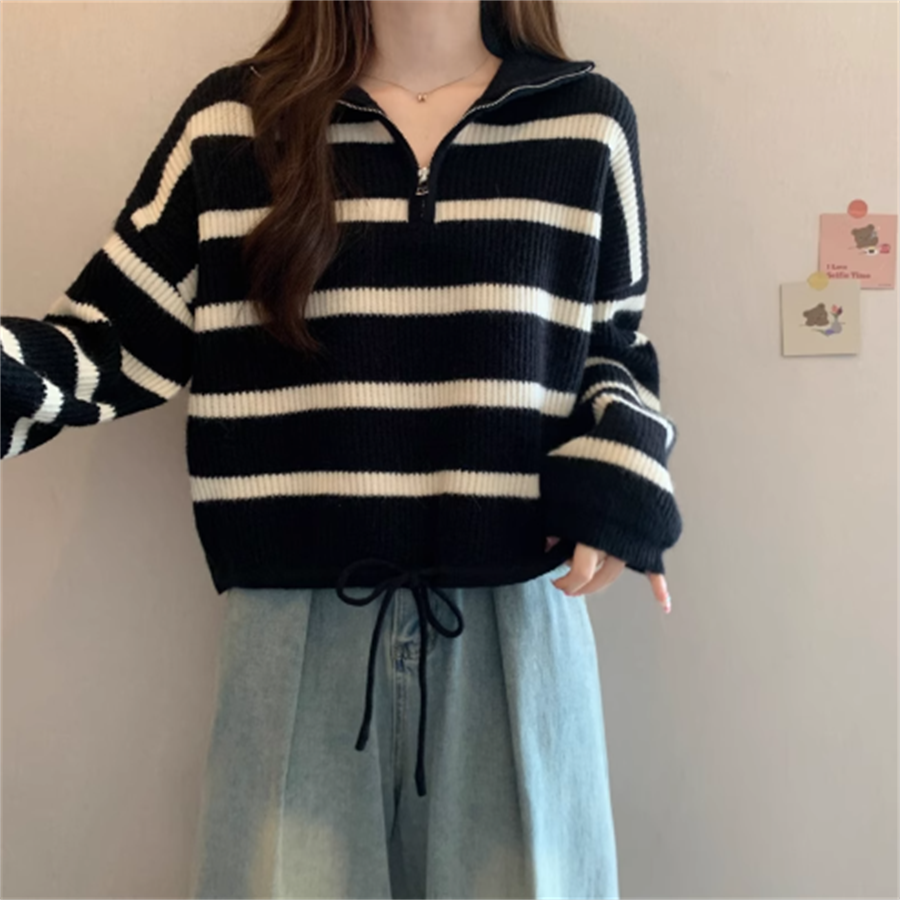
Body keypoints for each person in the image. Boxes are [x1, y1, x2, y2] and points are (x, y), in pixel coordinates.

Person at [0, 0, 684, 896]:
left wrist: (620, 479)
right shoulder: (233, 126)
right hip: (292, 636)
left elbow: (614, 348)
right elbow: (108, 342)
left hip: (518, 627)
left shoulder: (585, 122)